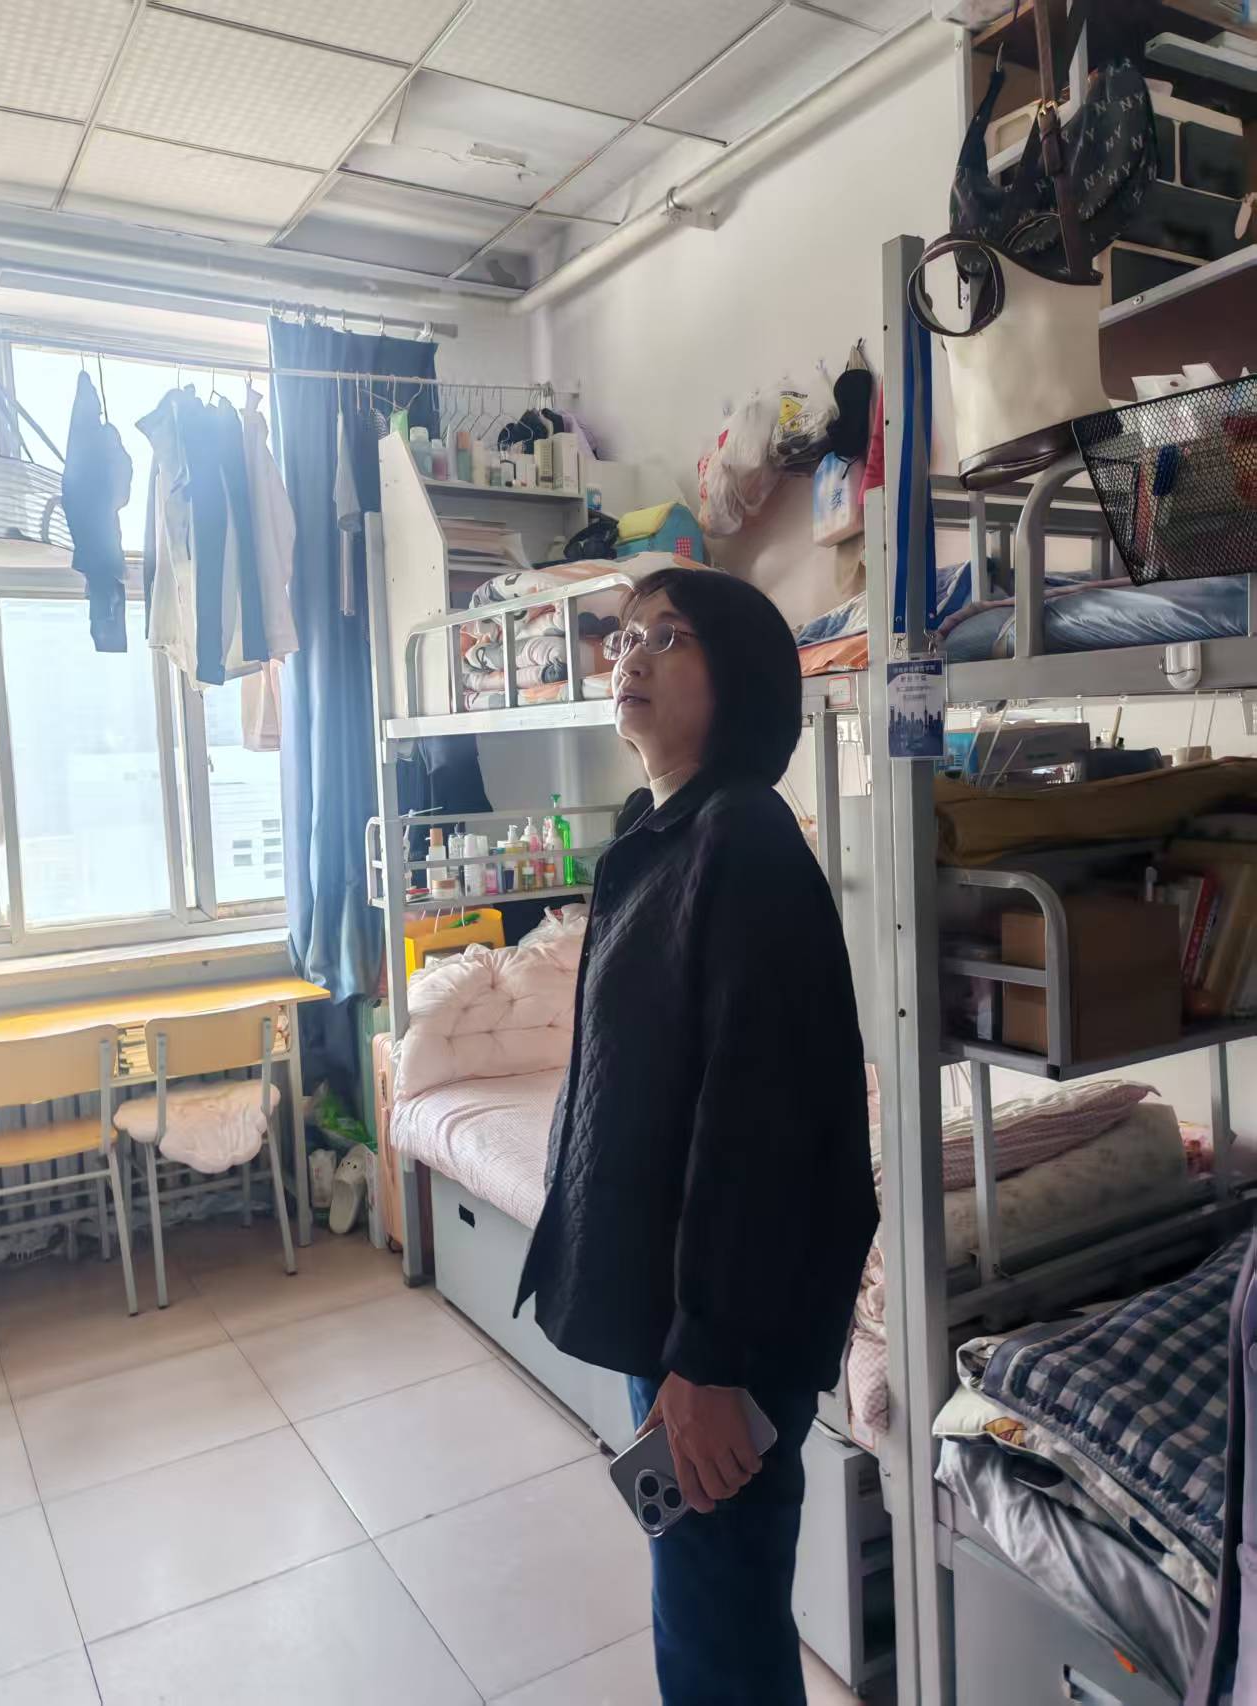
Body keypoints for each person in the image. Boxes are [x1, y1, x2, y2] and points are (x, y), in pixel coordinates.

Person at [515, 566, 877, 1705]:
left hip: (724, 1327)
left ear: (743, 680)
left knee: (718, 1626)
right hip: (675, 1304)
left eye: (668, 637)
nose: (630, 654)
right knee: (706, 1601)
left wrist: (710, 1357)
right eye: (626, 636)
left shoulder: (744, 839)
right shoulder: (656, 828)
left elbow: (759, 1125)